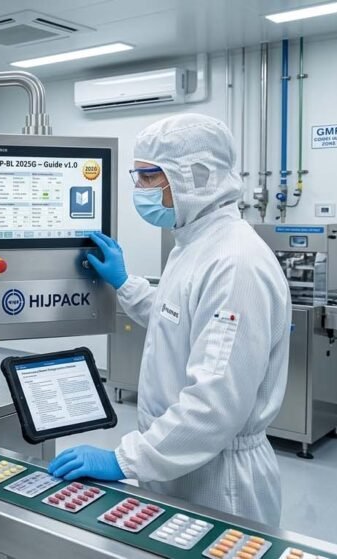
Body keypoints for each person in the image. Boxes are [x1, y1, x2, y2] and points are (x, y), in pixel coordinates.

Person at [46, 113, 291, 527]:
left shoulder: (235, 263)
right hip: (178, 461)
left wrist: (125, 458)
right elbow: (176, 317)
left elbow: (214, 405)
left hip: (219, 480)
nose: (138, 190)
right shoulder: (192, 245)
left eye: (147, 177)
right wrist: (125, 283)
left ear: (194, 176)